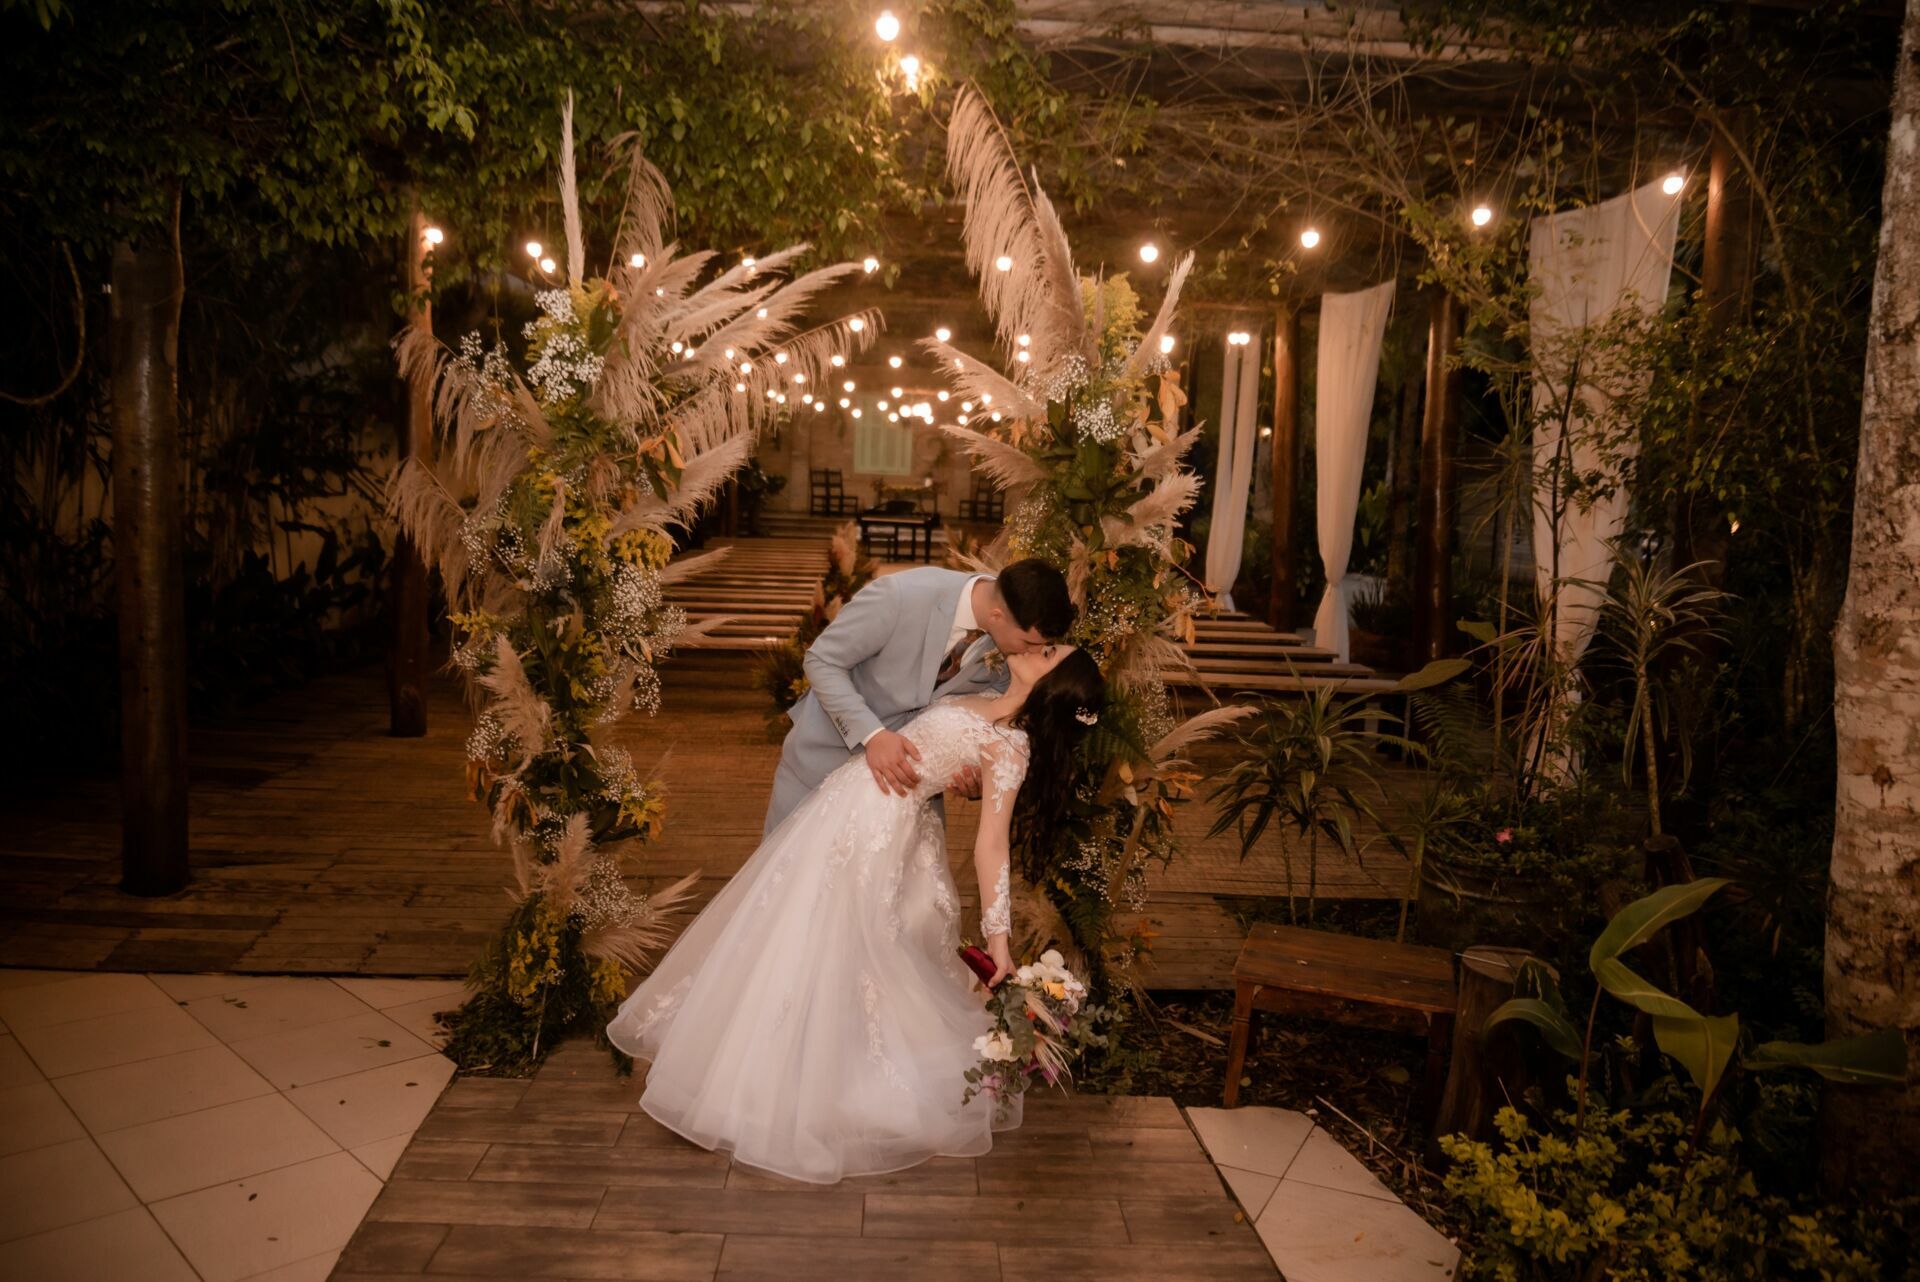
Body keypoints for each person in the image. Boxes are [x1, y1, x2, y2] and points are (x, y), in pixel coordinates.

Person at [605, 638, 1107, 1185]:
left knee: (843, 947)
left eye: (1052, 653)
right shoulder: (981, 690)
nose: (1038, 645)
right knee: (791, 932)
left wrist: (999, 942)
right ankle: (756, 1065)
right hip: (843, 807)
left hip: (880, 833)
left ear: (1053, 685)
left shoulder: (1011, 747)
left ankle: (805, 1086)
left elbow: (991, 845)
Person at [762, 559, 1076, 836]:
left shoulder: (1012, 654)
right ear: (997, 615)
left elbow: (981, 715)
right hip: (820, 767)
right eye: (1029, 642)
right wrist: (872, 735)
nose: (1032, 652)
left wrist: (978, 774)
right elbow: (822, 660)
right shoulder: (901, 595)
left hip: (902, 802)